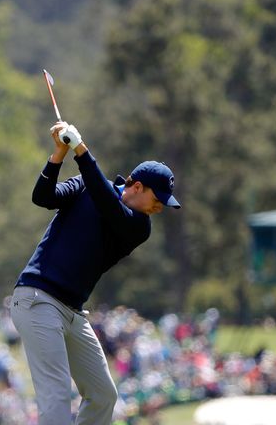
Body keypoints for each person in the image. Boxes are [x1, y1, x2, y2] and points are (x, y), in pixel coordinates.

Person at [9, 121, 180, 424]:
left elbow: (109, 205)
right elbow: (43, 197)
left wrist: (82, 150)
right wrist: (60, 154)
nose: (159, 208)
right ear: (137, 187)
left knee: (103, 394)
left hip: (72, 311)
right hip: (38, 300)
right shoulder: (86, 184)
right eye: (157, 200)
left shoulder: (139, 226)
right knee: (57, 396)